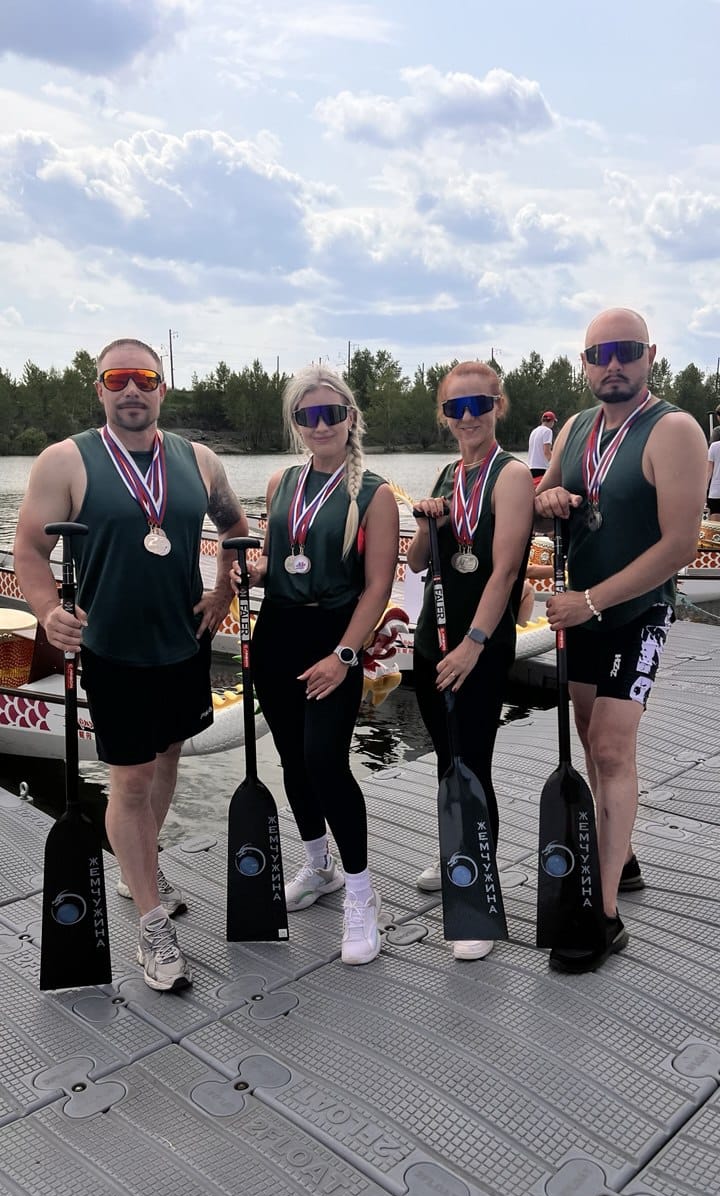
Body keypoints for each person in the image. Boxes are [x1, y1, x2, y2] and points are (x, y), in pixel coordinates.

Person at [14, 338, 248, 993]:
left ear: (161, 388)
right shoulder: (65, 461)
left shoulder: (199, 460)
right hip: (113, 650)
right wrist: (47, 611)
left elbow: (235, 527)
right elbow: (29, 550)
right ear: (100, 389)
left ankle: (136, 867)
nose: (131, 390)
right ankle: (151, 925)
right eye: (117, 379)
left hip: (185, 642)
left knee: (168, 759)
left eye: (144, 377)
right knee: (132, 781)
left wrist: (224, 590)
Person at [535, 308, 708, 974]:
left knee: (611, 747)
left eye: (626, 350)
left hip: (634, 613)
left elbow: (681, 545)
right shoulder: (576, 428)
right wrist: (550, 500)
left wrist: (592, 600)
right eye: (599, 353)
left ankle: (602, 915)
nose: (613, 364)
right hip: (583, 617)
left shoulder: (675, 430)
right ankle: (623, 855)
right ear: (584, 364)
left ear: (650, 355)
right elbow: (545, 498)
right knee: (589, 735)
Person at [231, 366, 398, 965]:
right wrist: (252, 572)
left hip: (335, 635)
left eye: (332, 414)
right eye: (308, 416)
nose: (320, 425)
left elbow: (378, 587)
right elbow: (276, 559)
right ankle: (318, 864)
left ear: (350, 418)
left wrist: (345, 655)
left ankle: (361, 892)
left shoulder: (375, 493)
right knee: (293, 760)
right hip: (278, 632)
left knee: (326, 761)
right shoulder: (281, 482)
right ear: (297, 423)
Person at [408, 361, 534, 960]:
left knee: (474, 763)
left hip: (478, 644)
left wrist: (473, 643)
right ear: (444, 415)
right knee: (446, 759)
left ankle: (479, 893)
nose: (467, 417)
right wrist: (425, 523)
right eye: (455, 408)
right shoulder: (446, 475)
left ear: (497, 406)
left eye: (478, 404)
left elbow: (504, 571)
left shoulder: (512, 476)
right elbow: (416, 562)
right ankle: (455, 856)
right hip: (432, 639)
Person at [527, 411, 556, 479]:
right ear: (551, 421)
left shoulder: (534, 431)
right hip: (541, 468)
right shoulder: (548, 431)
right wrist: (554, 464)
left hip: (531, 467)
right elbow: (546, 452)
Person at [708, 414, 720, 517]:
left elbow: (708, 472)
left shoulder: (714, 447)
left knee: (715, 525)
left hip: (716, 492)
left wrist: (704, 491)